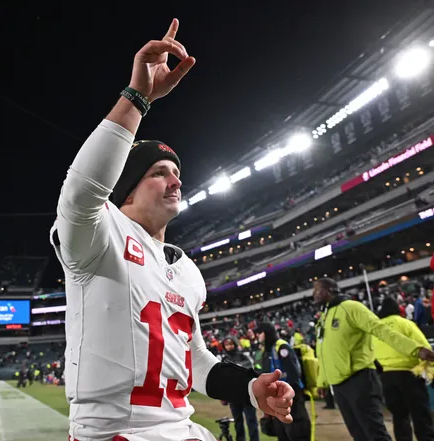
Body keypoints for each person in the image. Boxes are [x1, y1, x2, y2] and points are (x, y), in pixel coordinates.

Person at [50, 18, 295, 441]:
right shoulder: (99, 235)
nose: (176, 181)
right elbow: (81, 191)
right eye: (159, 173)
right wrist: (137, 98)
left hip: (181, 428)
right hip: (114, 432)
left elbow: (195, 359)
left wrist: (250, 389)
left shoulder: (187, 272)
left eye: (178, 172)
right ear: (124, 191)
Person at [313, 278, 434, 441]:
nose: (313, 294)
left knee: (375, 433)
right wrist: (322, 382)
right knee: (358, 434)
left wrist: (415, 349)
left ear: (329, 290)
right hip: (339, 386)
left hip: (359, 380)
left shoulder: (351, 307)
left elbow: (381, 330)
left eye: (317, 289)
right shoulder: (324, 317)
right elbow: (323, 352)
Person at [373, 295, 434, 441]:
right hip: (409, 374)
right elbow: (424, 347)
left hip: (386, 377)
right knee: (420, 414)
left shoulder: (376, 329)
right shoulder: (405, 323)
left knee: (399, 416)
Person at [255, 323, 311, 441]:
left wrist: (287, 392)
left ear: (267, 332)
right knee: (282, 432)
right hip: (276, 397)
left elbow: (293, 373)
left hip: (290, 395)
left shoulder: (281, 347)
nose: (258, 336)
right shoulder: (268, 349)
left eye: (260, 333)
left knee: (296, 429)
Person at [221, 336, 260, 441]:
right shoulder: (224, 360)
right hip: (233, 397)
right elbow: (222, 380)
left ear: (235, 344)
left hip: (247, 395)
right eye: (227, 345)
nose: (229, 346)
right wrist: (223, 395)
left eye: (231, 344)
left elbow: (252, 372)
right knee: (238, 423)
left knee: (251, 421)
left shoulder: (244, 356)